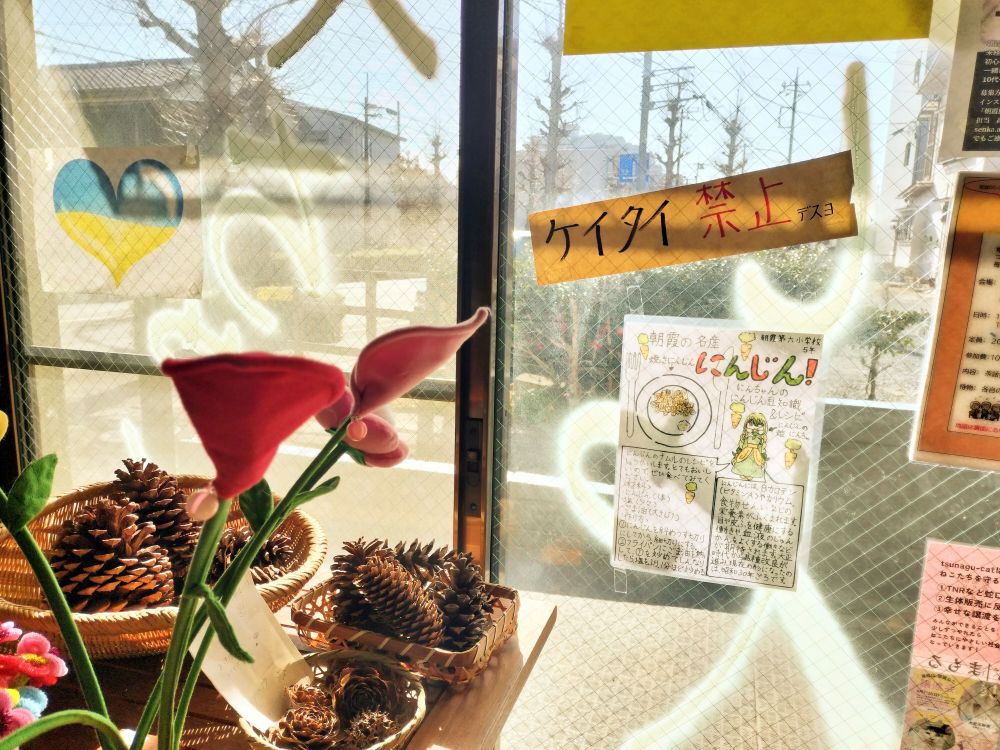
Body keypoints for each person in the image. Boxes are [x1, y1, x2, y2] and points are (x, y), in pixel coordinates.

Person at [731, 412, 768, 480]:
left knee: (754, 465)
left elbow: (762, 449)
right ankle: (743, 474)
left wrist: (763, 457)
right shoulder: (745, 436)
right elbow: (741, 446)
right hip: (745, 452)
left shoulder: (761, 439)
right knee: (743, 463)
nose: (755, 428)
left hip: (756, 455)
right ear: (746, 425)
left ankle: (750, 475)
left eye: (759, 426)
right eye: (751, 424)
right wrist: (737, 453)